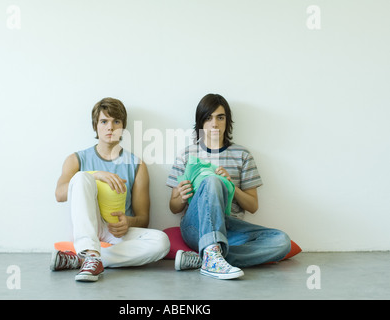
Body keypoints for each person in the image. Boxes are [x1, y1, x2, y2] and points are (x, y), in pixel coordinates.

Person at [166, 93, 291, 280]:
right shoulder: (187, 155)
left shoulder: (242, 155)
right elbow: (174, 208)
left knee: (282, 242)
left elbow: (252, 206)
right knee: (212, 181)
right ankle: (211, 253)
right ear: (200, 123)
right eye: (208, 118)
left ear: (227, 121)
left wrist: (232, 185)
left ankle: (205, 258)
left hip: (230, 227)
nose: (214, 124)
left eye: (220, 117)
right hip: (197, 227)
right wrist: (181, 196)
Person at [51, 97, 170, 282]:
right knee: (81, 177)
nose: (110, 127)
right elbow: (59, 195)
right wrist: (95, 175)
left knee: (161, 242)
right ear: (95, 126)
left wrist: (128, 222)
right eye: (104, 121)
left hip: (114, 231)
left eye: (116, 121)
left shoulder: (136, 165)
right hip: (86, 228)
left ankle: (83, 260)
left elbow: (143, 219)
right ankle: (90, 253)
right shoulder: (76, 159)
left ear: (123, 126)